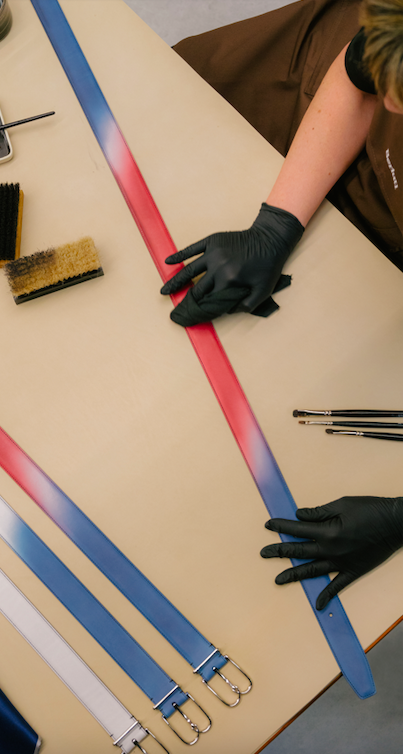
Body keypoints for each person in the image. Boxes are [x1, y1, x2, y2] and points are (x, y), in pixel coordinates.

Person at [164, 0, 403, 609]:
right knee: (168, 115)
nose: (393, 108)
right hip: (316, 96)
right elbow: (358, 77)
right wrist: (275, 226)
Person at [162, 0, 403, 327]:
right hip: (319, 70)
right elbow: (359, 84)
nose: (388, 101)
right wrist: (276, 226)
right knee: (174, 93)